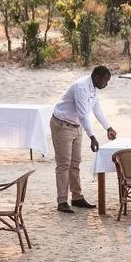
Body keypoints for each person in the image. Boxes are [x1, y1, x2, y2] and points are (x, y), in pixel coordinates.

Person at [50, 65, 116, 213]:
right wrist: (92, 136)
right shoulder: (81, 87)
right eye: (105, 80)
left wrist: (108, 128)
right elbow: (83, 114)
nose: (106, 84)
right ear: (97, 77)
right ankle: (62, 201)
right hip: (62, 125)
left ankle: (77, 197)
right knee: (63, 164)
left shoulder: (93, 88)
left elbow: (96, 108)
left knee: (75, 163)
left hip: (76, 126)